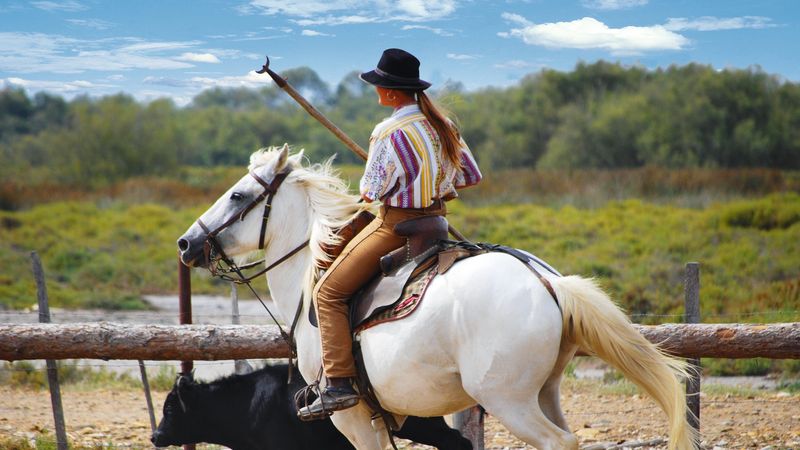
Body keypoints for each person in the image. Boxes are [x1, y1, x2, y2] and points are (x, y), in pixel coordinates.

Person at [298, 48, 482, 420]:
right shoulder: (444, 125)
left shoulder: (389, 131)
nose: (376, 90)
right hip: (437, 225)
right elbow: (470, 176)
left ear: (392, 93)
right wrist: (433, 183)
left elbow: (371, 191)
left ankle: (338, 384)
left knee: (328, 292)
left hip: (396, 226)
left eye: (379, 85)